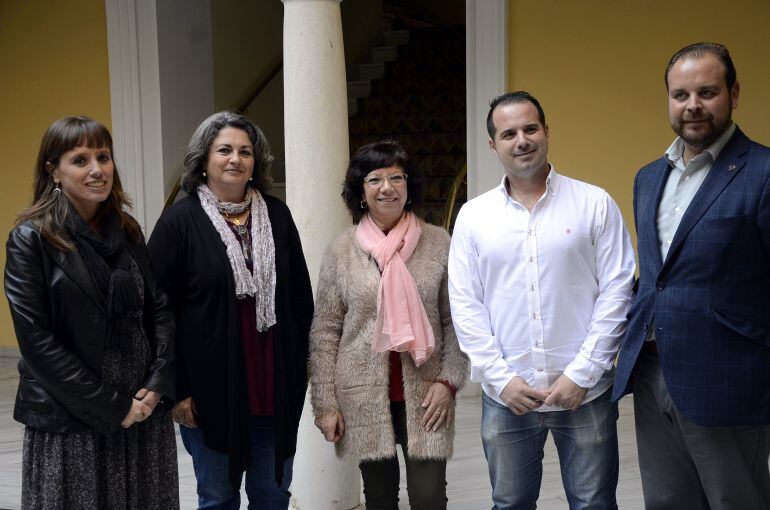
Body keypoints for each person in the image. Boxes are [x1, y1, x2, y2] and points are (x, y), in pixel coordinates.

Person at [448, 92, 635, 509]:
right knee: (510, 504)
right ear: (493, 145)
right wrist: (500, 378)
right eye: (508, 133)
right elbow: (465, 304)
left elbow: (618, 291)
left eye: (530, 129)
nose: (522, 140)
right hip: (507, 396)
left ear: (547, 132)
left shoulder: (594, 203)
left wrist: (582, 374)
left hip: (585, 393)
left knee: (593, 504)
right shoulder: (473, 217)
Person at [613, 43, 770, 510]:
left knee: (735, 501)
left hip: (728, 378)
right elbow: (657, 276)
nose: (692, 106)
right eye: (680, 95)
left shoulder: (763, 173)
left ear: (734, 94)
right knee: (667, 502)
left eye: (707, 92)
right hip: (653, 372)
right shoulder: (647, 177)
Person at [4, 116, 178, 509]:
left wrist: (158, 380)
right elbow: (36, 344)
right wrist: (114, 407)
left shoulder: (128, 229)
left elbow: (159, 310)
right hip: (74, 418)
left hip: (142, 412)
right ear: (54, 171)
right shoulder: (31, 240)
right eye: (80, 160)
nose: (97, 169)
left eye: (103, 156)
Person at [147, 111, 313, 509]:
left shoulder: (277, 214)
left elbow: (299, 298)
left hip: (274, 389)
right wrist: (179, 390)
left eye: (245, 151)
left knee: (273, 495)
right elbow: (157, 313)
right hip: (209, 393)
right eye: (224, 150)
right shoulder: (178, 222)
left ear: (257, 163)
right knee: (218, 497)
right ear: (203, 160)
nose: (235, 159)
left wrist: (300, 369)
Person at [310, 140, 468, 510]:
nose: (387, 187)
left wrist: (448, 383)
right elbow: (325, 331)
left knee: (429, 498)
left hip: (429, 393)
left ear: (409, 185)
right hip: (363, 396)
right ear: (361, 192)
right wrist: (325, 404)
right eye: (375, 179)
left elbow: (456, 321)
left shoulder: (439, 244)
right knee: (379, 498)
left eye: (397, 177)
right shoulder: (341, 251)